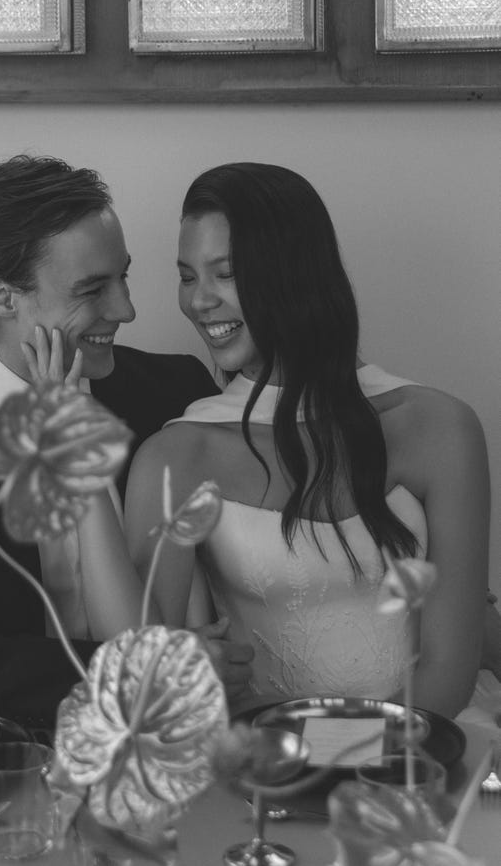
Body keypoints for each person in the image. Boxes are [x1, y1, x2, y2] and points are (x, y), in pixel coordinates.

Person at [0, 155, 252, 731]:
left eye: (124, 277)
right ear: (3, 298)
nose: (127, 309)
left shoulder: (175, 393)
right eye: (92, 289)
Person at [124, 162, 490, 719]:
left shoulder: (439, 427)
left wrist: (363, 766)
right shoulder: (177, 457)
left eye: (225, 273)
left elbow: (450, 669)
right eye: (188, 275)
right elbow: (152, 673)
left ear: (294, 273)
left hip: (424, 754)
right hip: (262, 775)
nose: (199, 301)